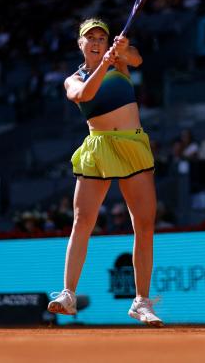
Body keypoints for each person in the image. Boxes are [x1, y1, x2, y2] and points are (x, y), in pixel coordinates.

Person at [47, 18, 163, 326]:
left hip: (131, 145)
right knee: (82, 220)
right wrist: (106, 63)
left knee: (144, 224)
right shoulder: (72, 79)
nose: (97, 41)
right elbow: (85, 94)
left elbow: (137, 59)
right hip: (98, 147)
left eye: (102, 37)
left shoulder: (119, 62)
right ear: (80, 44)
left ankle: (141, 302)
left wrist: (123, 51)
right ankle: (68, 295)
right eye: (90, 38)